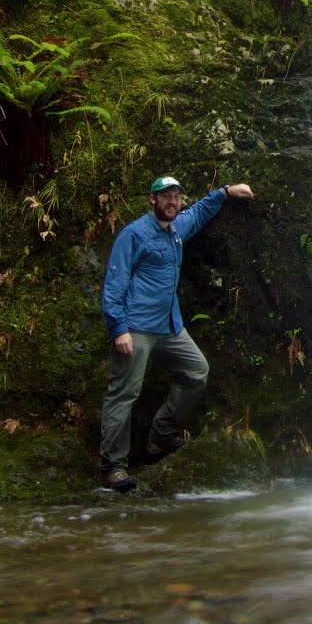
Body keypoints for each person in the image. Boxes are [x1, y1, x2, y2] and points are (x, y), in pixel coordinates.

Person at [98, 174, 254, 492]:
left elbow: (197, 213)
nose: (172, 202)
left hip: (170, 326)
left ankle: (160, 438)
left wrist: (226, 192)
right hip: (136, 328)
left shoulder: (176, 230)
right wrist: (119, 329)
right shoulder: (134, 235)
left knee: (196, 371)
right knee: (123, 394)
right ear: (152, 200)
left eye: (176, 197)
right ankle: (114, 466)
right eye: (165, 196)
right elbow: (114, 283)